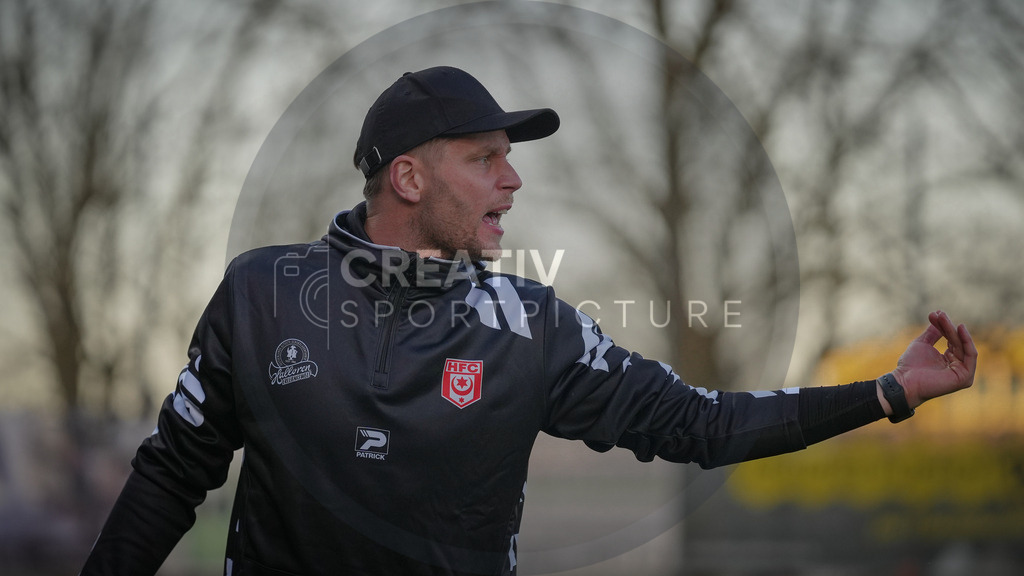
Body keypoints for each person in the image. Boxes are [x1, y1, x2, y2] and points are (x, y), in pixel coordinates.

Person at [80, 66, 977, 576]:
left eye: (509, 160)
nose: (513, 182)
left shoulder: (534, 326)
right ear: (409, 179)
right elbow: (170, 477)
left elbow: (701, 424)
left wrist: (891, 392)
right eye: (486, 159)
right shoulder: (262, 291)